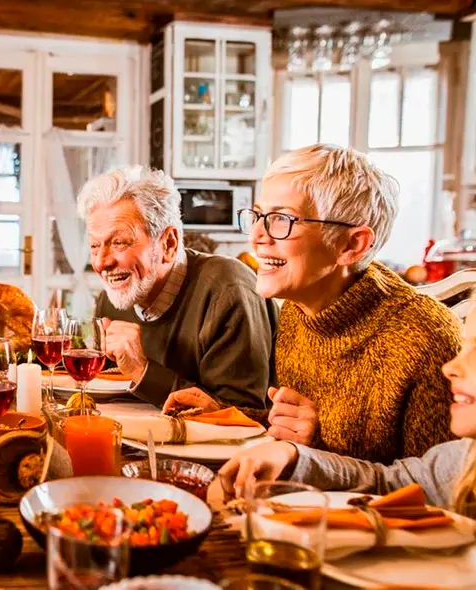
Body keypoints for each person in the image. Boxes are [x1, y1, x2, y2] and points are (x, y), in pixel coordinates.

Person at [165, 144, 459, 463]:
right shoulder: (298, 310)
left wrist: (315, 448)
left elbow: (437, 485)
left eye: (282, 219)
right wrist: (224, 414)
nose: (256, 236)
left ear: (351, 245)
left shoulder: (427, 339)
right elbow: (295, 426)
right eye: (258, 216)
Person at [219, 303, 476, 518]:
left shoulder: (419, 331)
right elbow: (389, 484)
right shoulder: (463, 458)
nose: (449, 368)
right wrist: (292, 456)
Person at [78, 165, 277, 409]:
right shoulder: (112, 299)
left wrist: (142, 370)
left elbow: (242, 415)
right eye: (94, 246)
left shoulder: (229, 290)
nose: (101, 263)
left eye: (119, 243)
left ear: (168, 244)